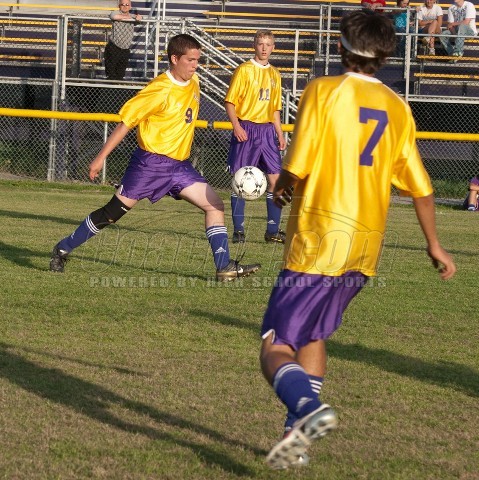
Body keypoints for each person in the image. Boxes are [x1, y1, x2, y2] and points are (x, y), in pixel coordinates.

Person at [259, 10, 456, 471]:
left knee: (274, 344)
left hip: (318, 240)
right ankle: (295, 441)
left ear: (341, 46)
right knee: (313, 335)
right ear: (385, 55)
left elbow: (298, 161)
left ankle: (308, 409)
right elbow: (421, 188)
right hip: (364, 248)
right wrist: (434, 245)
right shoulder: (398, 106)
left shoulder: (323, 90)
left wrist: (281, 186)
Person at [50, 34, 260, 282]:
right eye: (191, 60)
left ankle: (224, 267)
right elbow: (126, 123)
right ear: (175, 59)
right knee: (112, 213)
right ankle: (63, 248)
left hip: (179, 166)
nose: (195, 66)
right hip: (150, 164)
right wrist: (100, 158)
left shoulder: (193, 82)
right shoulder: (158, 90)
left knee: (214, 205)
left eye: (198, 60)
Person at [224, 29, 287, 245]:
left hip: (268, 132)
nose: (264, 48)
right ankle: (238, 231)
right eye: (261, 44)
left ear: (273, 47)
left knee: (276, 181)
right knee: (240, 180)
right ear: (254, 45)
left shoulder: (275, 74)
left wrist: (279, 133)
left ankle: (272, 231)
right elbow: (230, 102)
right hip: (247, 129)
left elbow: (275, 109)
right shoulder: (244, 70)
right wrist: (236, 126)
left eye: (268, 44)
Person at [104, 1, 142, 80]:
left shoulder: (132, 16)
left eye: (127, 5)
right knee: (111, 74)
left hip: (125, 49)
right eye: (122, 4)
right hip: (114, 47)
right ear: (119, 6)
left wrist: (138, 17)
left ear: (130, 7)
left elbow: (140, 18)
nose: (125, 6)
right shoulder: (116, 12)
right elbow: (114, 17)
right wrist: (131, 18)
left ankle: (118, 86)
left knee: (120, 74)